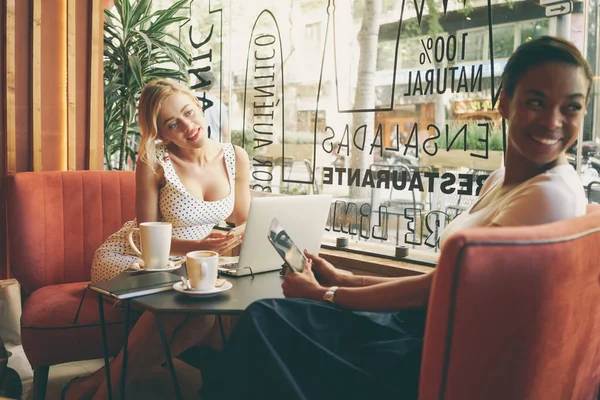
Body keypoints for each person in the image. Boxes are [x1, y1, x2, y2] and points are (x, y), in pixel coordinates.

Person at [199, 36, 591, 400]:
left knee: (267, 322)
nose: (554, 121)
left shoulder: (548, 195)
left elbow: (435, 292)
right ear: (504, 102)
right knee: (270, 323)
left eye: (571, 106)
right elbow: (446, 282)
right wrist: (348, 279)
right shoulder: (502, 178)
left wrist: (326, 294)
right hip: (426, 326)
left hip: (439, 351)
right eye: (537, 102)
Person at [63, 78, 251, 399]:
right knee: (194, 311)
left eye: (189, 112)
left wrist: (236, 239)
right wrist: (202, 248)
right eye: (172, 124)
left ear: (197, 103)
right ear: (161, 133)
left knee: (205, 317)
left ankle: (97, 386)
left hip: (187, 264)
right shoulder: (154, 161)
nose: (188, 126)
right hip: (133, 257)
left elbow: (243, 220)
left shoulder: (235, 157)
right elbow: (147, 234)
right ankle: (106, 391)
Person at [193, 70, 230, 143]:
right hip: (214, 148)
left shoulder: (190, 99)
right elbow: (225, 133)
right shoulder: (219, 104)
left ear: (198, 81)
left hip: (194, 147)